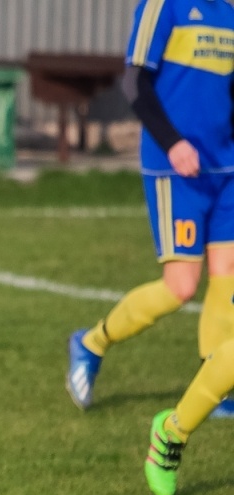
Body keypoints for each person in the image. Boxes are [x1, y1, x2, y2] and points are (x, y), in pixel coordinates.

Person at [66, 0, 234, 411]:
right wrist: (172, 143)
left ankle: (214, 388)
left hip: (226, 169)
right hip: (175, 170)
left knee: (228, 275)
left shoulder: (228, 14)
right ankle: (91, 343)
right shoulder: (163, 6)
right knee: (181, 287)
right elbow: (135, 83)